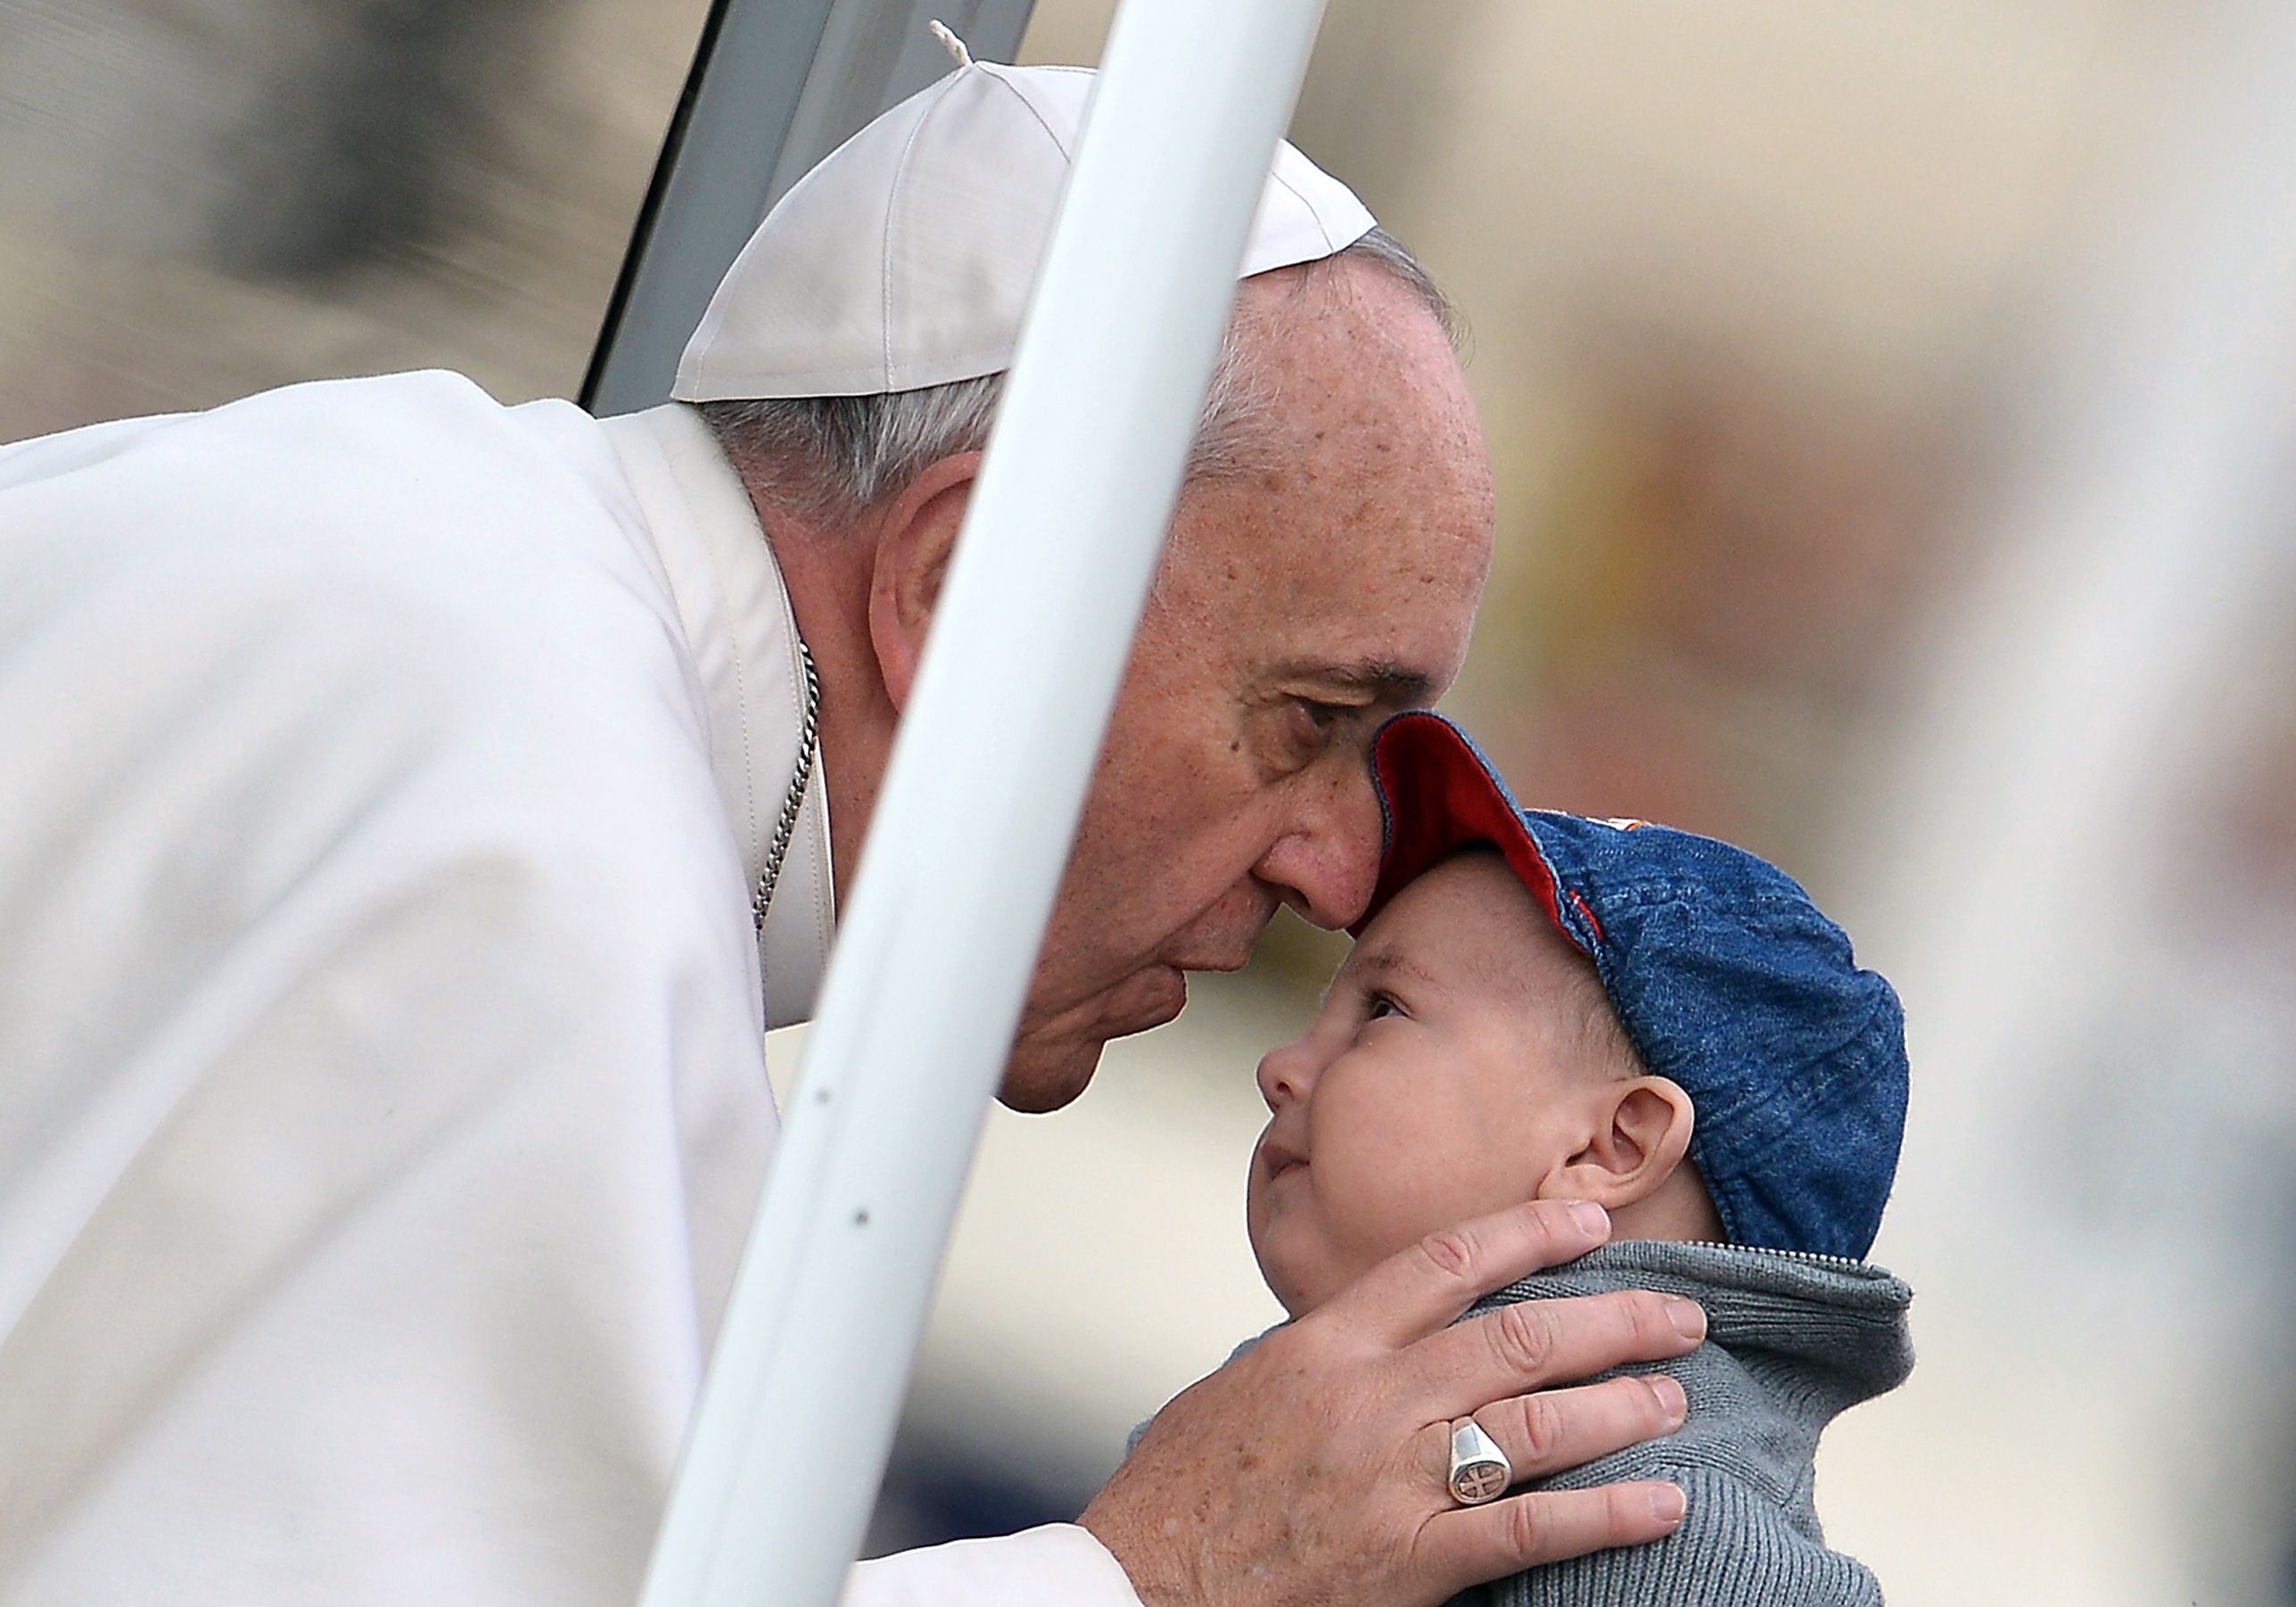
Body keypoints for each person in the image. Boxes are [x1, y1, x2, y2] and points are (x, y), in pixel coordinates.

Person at [0, 50, 1707, 1607]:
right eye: (1312, 723)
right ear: (967, 591)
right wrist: (1157, 1574)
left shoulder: (413, 544)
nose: (1339, 870)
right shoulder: (547, 866)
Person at [1210, 710, 1913, 1603]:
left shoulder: (1659, 1526)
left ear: (1607, 1146)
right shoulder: (1327, 1408)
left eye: (1381, 1009)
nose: (1281, 1067)